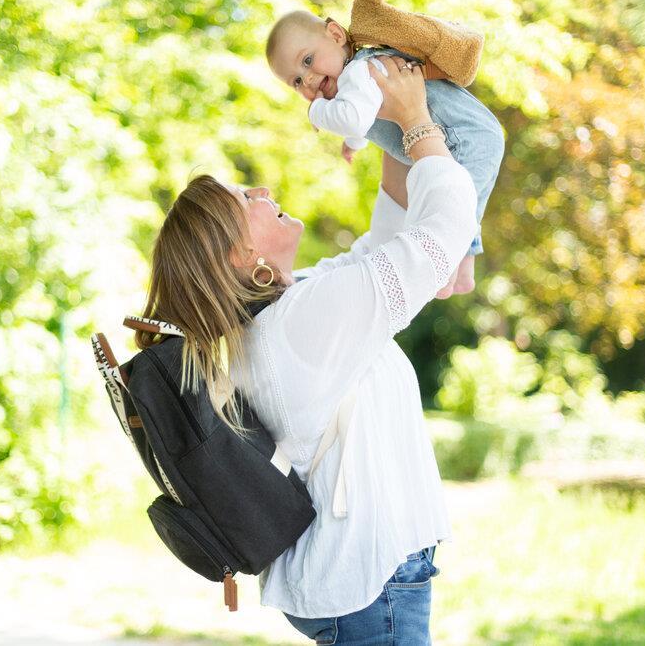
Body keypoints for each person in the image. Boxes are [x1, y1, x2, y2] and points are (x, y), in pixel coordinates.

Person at [135, 57, 477, 644]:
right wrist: (419, 122)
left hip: (357, 583)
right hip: (372, 589)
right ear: (241, 256)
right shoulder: (301, 325)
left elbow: (386, 240)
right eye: (246, 198)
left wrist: (384, 122)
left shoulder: (292, 309)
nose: (262, 188)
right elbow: (438, 239)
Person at [265, 10, 504, 297]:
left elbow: (353, 118)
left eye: (307, 61)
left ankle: (447, 273)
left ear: (336, 35)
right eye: (296, 82)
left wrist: (316, 112)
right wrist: (353, 143)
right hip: (471, 138)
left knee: (452, 213)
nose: (309, 80)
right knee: (464, 210)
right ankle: (462, 274)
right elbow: (361, 116)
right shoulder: (353, 84)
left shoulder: (360, 70)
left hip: (464, 140)